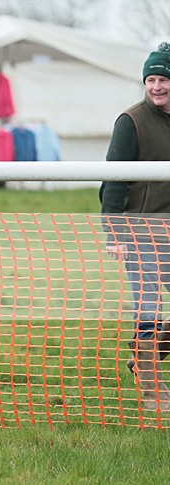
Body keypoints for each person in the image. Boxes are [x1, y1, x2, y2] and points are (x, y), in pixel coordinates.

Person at [100, 42, 170, 411]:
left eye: (163, 79)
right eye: (151, 79)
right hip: (141, 235)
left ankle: (147, 358)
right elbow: (112, 183)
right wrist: (114, 235)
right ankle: (152, 392)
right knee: (149, 310)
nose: (157, 86)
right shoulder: (130, 122)